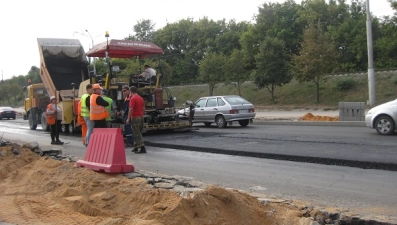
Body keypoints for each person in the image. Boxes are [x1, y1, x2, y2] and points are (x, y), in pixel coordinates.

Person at [126, 86, 146, 153]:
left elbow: (131, 109)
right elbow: (143, 108)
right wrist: (141, 114)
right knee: (137, 132)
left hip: (135, 117)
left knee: (137, 133)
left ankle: (142, 148)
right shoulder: (141, 98)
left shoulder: (133, 98)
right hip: (141, 117)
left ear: (130, 91)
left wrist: (128, 118)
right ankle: (136, 147)